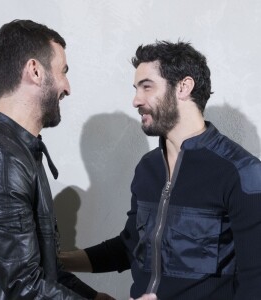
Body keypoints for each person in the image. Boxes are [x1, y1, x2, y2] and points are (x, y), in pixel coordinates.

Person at [60, 40, 261, 299]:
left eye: (147, 87)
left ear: (184, 87)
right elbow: (132, 245)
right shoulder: (148, 168)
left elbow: (255, 285)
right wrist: (58, 261)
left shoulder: (241, 172)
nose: (135, 100)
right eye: (136, 89)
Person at [0, 19, 114, 300]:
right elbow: (25, 286)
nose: (67, 87)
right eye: (63, 72)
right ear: (35, 71)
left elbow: (46, 271)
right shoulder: (2, 160)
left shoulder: (20, 151)